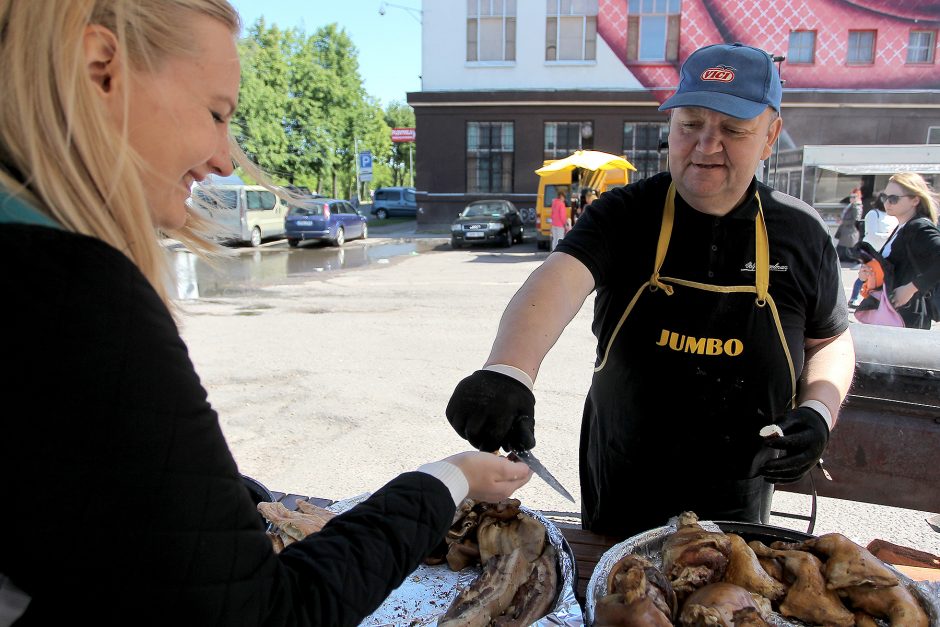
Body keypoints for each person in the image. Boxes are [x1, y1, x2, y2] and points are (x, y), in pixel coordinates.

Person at [0, 1, 531, 624]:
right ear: (100, 68)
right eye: (216, 113)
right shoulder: (68, 292)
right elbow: (268, 615)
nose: (225, 159)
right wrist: (449, 478)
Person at [446, 42, 855, 538]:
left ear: (770, 137)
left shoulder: (801, 232)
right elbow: (557, 280)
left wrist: (819, 411)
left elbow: (830, 339)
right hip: (623, 479)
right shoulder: (625, 213)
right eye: (690, 125)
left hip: (740, 488)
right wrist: (508, 370)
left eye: (732, 129)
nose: (706, 144)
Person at [856, 173, 940, 329]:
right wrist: (868, 272)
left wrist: (910, 288)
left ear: (915, 200)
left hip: (907, 317)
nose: (887, 202)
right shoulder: (903, 227)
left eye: (894, 198)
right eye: (885, 197)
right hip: (894, 314)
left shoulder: (919, 227)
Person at [849, 196, 898, 306]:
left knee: (881, 277)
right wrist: (889, 235)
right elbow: (872, 234)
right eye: (889, 201)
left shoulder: (893, 216)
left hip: (886, 252)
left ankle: (878, 300)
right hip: (872, 251)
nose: (891, 204)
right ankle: (855, 298)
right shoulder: (873, 214)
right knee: (867, 274)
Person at [835, 189, 863, 262]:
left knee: (843, 248)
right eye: (851, 196)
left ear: (858, 197)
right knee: (844, 248)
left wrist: (843, 221)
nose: (852, 198)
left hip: (850, 231)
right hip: (847, 231)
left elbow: (855, 220)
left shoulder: (856, 207)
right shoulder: (852, 205)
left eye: (854, 197)